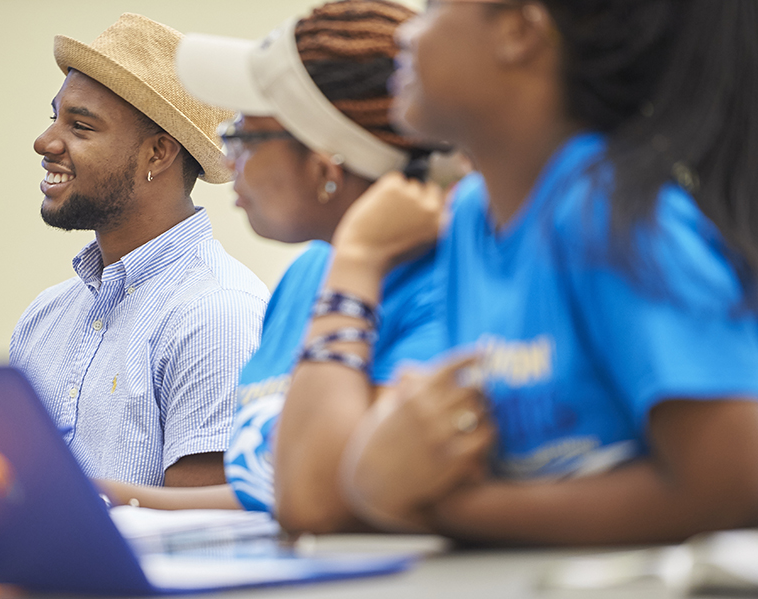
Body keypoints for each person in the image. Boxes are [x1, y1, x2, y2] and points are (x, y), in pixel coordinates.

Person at [281, 0, 758, 543]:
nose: (405, 36)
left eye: (432, 10)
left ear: (517, 32)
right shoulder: (468, 216)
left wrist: (442, 510)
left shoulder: (604, 211)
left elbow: (730, 483)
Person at [96, 0, 458, 519]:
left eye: (243, 137)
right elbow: (275, 488)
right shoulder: (307, 276)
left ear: (323, 168)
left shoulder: (442, 282)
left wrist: (355, 265)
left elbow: (322, 499)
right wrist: (119, 501)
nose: (226, 161)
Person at [9, 13, 268, 490]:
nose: (45, 142)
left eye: (81, 127)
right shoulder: (43, 318)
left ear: (158, 154)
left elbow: (203, 538)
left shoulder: (217, 314)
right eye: (55, 118)